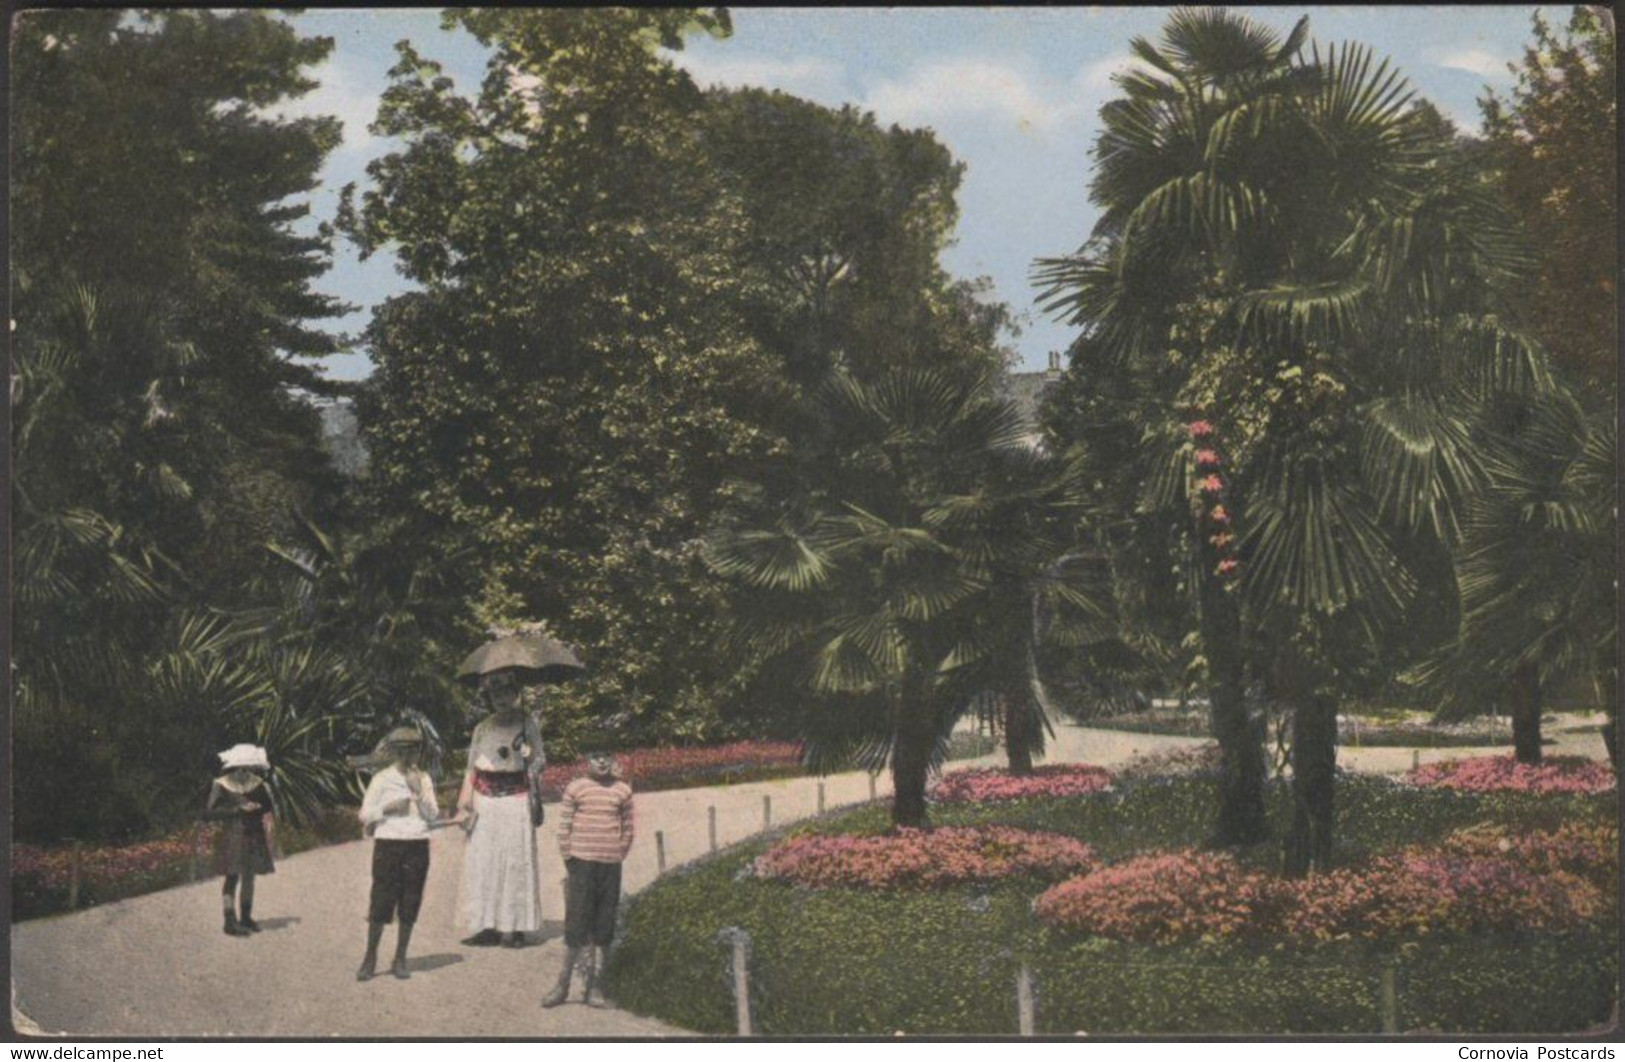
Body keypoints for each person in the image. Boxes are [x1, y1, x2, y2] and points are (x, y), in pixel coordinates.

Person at [457, 669, 544, 947]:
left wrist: (532, 757)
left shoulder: (527, 724)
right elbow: (471, 766)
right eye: (496, 694)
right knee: (485, 863)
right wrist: (465, 800)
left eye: (506, 693)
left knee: (515, 863)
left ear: (516, 694)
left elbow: (540, 761)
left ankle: (516, 928)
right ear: (489, 698)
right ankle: (488, 927)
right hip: (486, 801)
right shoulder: (482, 728)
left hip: (515, 800)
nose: (501, 699)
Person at [542, 746, 634, 1009]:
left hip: (609, 865)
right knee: (576, 925)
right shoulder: (576, 787)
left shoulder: (623, 790)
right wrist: (569, 858)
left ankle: (595, 987)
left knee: (604, 926)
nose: (602, 761)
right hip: (581, 864)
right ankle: (562, 985)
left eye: (607, 755)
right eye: (596, 756)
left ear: (614, 758)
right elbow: (564, 827)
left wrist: (617, 853)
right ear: (587, 760)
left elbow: (628, 828)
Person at [356, 726, 444, 981]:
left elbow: (433, 815)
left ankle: (400, 957)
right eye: (402, 751)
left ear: (418, 752)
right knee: (381, 900)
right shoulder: (382, 779)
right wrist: (386, 809)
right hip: (389, 844)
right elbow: (364, 814)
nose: (408, 756)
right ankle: (370, 957)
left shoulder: (424, 779)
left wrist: (418, 791)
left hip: (417, 844)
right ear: (394, 751)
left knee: (410, 901)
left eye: (413, 750)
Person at [204, 744, 276, 938]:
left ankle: (246, 916)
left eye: (248, 768)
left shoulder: (258, 784)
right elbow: (211, 812)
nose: (244, 772)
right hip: (232, 835)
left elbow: (267, 807)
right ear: (233, 767)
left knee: (249, 876)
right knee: (232, 876)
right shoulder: (221, 784)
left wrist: (257, 807)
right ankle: (229, 920)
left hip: (254, 833)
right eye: (240, 768)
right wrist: (237, 810)